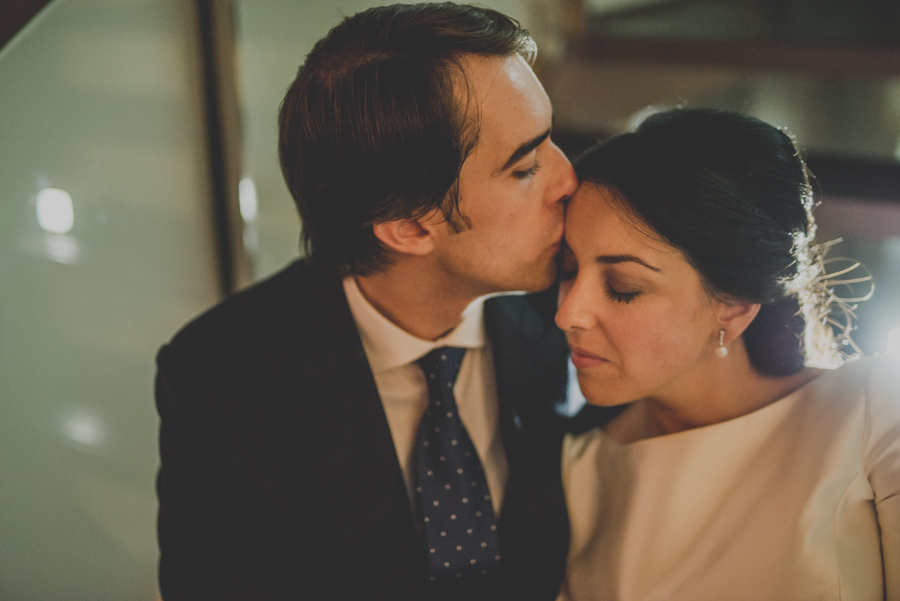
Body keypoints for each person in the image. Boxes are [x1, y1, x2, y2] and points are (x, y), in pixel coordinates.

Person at [154, 3, 577, 600]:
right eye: (526, 166)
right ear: (408, 228)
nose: (568, 179)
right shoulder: (223, 380)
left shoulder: (576, 304)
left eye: (550, 140)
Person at [556, 108, 900, 600]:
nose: (568, 313)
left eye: (623, 287)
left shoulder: (873, 415)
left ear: (733, 307)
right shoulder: (577, 467)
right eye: (568, 269)